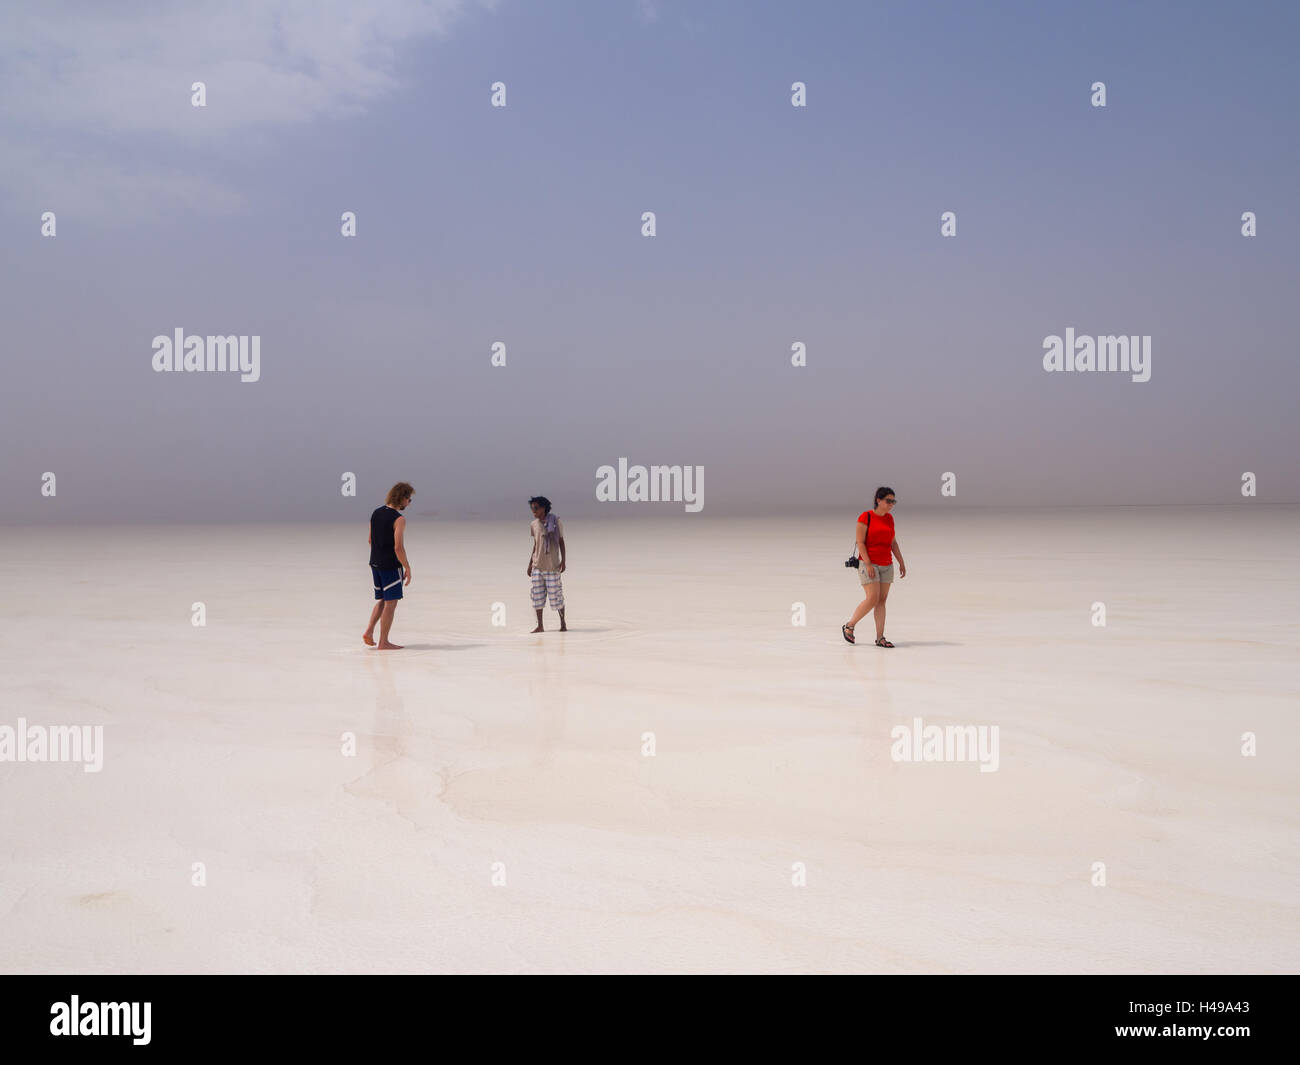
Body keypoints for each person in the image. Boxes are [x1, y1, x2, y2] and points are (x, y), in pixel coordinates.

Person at [842, 486, 906, 647]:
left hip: (887, 564)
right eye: (888, 501)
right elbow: (861, 542)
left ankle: (880, 638)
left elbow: (893, 543)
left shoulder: (889, 519)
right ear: (878, 500)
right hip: (868, 563)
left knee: (881, 601)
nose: (891, 504)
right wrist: (869, 564)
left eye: (893, 501)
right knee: (872, 599)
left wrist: (901, 562)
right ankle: (849, 625)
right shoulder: (866, 517)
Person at [364, 482, 414, 650]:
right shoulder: (399, 519)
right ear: (402, 498)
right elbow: (398, 547)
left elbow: (370, 540)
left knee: (383, 600)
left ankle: (369, 631)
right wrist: (407, 567)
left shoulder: (376, 513)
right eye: (409, 499)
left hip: (375, 563)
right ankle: (383, 642)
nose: (409, 503)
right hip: (390, 567)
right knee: (391, 603)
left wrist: (379, 556)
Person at [526, 495, 566, 632]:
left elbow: (561, 541)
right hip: (538, 565)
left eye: (536, 508)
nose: (534, 511)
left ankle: (563, 623)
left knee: (556, 596)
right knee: (537, 596)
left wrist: (564, 561)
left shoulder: (556, 522)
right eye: (532, 508)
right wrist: (530, 563)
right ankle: (540, 626)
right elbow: (536, 544)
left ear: (544, 508)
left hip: (552, 565)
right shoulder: (533, 524)